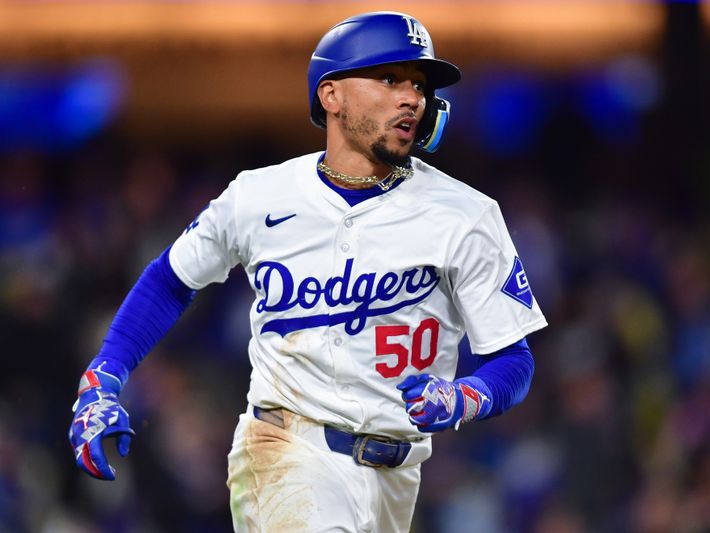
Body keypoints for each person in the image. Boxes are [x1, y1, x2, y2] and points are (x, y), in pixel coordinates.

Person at [68, 11, 547, 532]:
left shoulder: (467, 214)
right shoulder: (258, 195)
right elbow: (170, 279)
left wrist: (464, 396)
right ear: (331, 95)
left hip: (398, 474)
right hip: (284, 448)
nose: (411, 96)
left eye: (419, 83)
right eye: (389, 78)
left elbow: (513, 360)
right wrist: (104, 376)